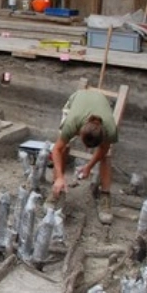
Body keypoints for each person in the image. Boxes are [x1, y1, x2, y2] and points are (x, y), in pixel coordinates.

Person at [50, 88, 117, 224]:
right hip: (77, 98)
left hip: (100, 101)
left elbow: (103, 150)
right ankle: (56, 189)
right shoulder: (72, 123)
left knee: (106, 156)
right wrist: (60, 177)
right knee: (64, 148)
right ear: (79, 133)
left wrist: (88, 166)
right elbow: (56, 150)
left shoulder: (110, 129)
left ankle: (105, 196)